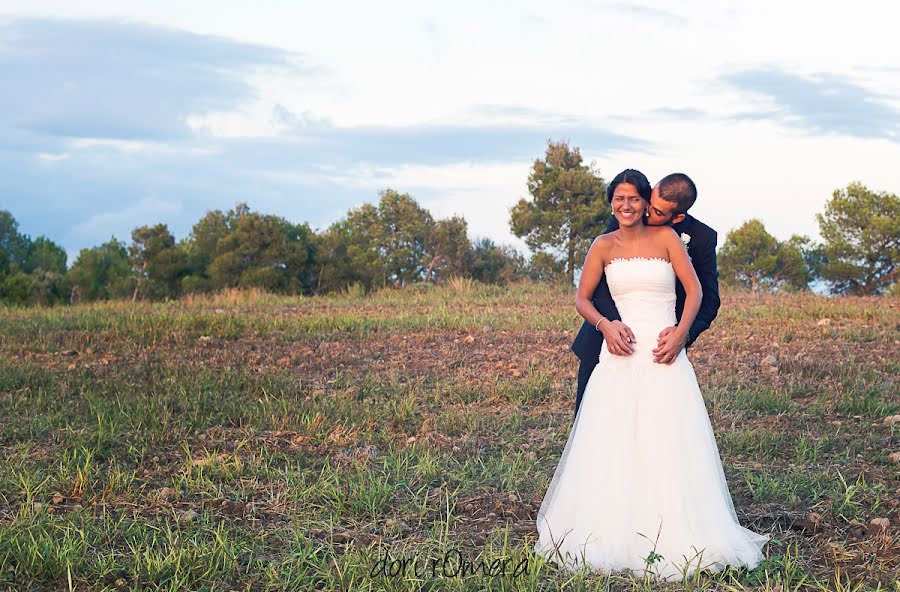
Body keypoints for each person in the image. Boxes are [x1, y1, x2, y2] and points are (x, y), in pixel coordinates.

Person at [534, 169, 769, 582]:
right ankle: (607, 521)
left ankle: (669, 525)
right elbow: (583, 298)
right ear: (613, 201)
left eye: (637, 201)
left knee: (667, 438)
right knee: (609, 436)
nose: (628, 206)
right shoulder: (604, 241)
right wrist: (607, 326)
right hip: (615, 350)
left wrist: (681, 334)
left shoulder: (670, 239)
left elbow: (698, 292)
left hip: (663, 354)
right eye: (619, 199)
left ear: (656, 207)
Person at [570, 171, 721, 417]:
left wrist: (682, 335)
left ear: (678, 216)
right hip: (607, 338)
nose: (647, 213)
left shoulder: (700, 238)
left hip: (661, 343)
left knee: (661, 422)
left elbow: (707, 297)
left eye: (658, 212)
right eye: (649, 202)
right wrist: (609, 326)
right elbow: (597, 287)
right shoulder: (623, 221)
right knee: (597, 421)